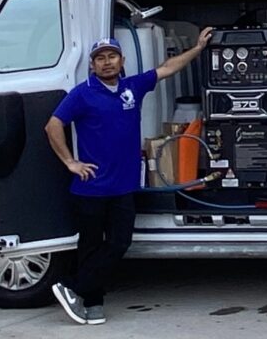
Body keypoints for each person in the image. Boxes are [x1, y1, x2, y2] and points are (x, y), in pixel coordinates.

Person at [44, 27, 213, 325]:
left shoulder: (132, 87)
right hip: (90, 188)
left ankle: (73, 287)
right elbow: (53, 125)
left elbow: (167, 68)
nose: (106, 62)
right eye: (100, 58)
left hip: (123, 187)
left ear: (122, 61)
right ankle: (93, 304)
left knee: (120, 243)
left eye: (111, 56)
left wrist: (198, 48)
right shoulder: (82, 94)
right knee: (90, 246)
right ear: (92, 65)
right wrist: (70, 162)